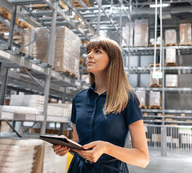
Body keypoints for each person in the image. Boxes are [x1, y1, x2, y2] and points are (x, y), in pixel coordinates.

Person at [52, 37, 149, 172]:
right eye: (89, 51)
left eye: (97, 51)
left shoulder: (128, 99)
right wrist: (67, 146)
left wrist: (106, 148)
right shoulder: (78, 99)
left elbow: (143, 158)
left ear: (112, 59)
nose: (89, 55)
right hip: (78, 169)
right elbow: (79, 145)